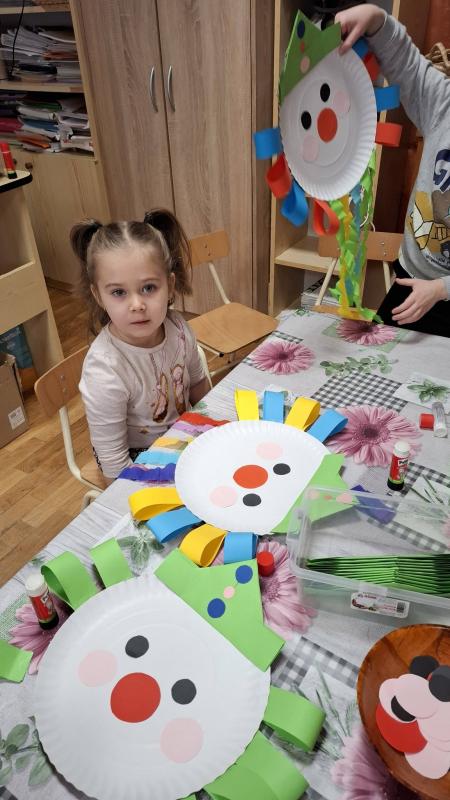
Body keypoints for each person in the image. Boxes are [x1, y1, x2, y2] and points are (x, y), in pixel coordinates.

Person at [336, 3, 450, 337]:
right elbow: (409, 66)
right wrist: (376, 19)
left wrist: (442, 288)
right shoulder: (444, 105)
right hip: (408, 281)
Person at [71, 209, 210, 482]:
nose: (137, 305)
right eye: (118, 292)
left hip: (183, 436)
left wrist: (212, 432)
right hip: (137, 459)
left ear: (170, 285)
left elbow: (198, 386)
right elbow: (114, 463)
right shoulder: (104, 369)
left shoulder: (179, 328)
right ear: (98, 295)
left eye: (148, 288)